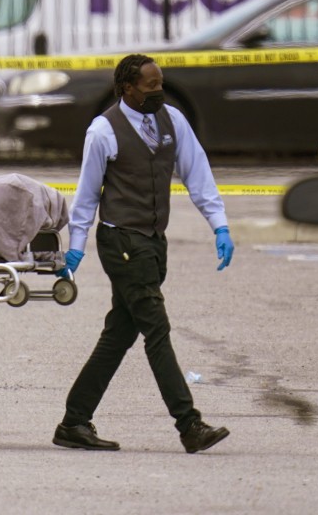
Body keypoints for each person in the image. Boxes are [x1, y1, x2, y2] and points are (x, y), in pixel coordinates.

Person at [52, 53, 234, 455]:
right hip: (121, 242)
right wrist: (76, 247)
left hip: (152, 242)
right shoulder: (103, 131)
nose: (158, 92)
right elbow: (87, 195)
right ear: (127, 88)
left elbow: (197, 173)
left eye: (160, 84)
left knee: (119, 334)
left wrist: (219, 224)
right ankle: (189, 424)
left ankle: (74, 422)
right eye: (150, 86)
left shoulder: (173, 121)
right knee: (157, 329)